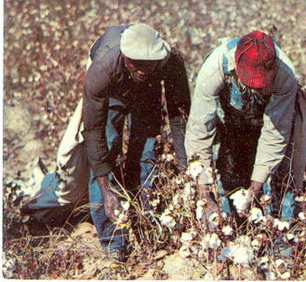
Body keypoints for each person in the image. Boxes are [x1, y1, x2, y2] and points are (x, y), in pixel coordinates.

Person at [23, 23, 191, 262]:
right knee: (106, 155)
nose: (143, 69)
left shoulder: (169, 60)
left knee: (146, 153)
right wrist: (105, 189)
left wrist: (185, 166)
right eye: (137, 63)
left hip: (148, 93)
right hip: (113, 90)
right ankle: (113, 242)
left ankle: (147, 226)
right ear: (125, 57)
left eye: (149, 64)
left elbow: (179, 116)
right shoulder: (102, 68)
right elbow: (94, 133)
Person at [185, 29, 306, 224]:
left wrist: (255, 187)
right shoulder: (214, 67)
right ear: (236, 66)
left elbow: (275, 134)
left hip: (270, 117)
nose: (254, 88)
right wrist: (204, 190)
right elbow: (200, 130)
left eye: (259, 83)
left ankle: (282, 234)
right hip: (229, 116)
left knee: (285, 173)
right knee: (223, 170)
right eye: (250, 82)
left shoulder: (285, 75)